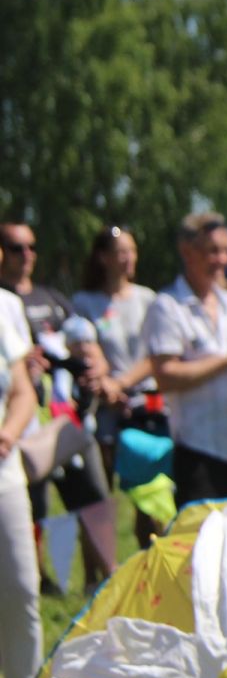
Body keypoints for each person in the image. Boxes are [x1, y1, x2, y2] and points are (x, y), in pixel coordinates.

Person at [2, 220, 118, 586]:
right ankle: (35, 578)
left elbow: (87, 340)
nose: (27, 255)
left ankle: (107, 574)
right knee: (30, 509)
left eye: (32, 247)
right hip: (21, 424)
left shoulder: (51, 298)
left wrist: (96, 363)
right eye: (17, 247)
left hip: (64, 419)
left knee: (94, 497)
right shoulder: (3, 304)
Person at [143, 212, 227, 504]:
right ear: (187, 252)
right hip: (197, 447)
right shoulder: (167, 307)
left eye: (226, 251)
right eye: (212, 251)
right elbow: (166, 376)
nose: (222, 260)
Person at [73, 226, 164, 546]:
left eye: (132, 251)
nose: (129, 258)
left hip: (145, 404)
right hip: (104, 406)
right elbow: (83, 347)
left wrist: (123, 383)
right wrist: (106, 387)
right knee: (99, 491)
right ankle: (98, 569)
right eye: (121, 252)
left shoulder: (148, 299)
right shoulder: (85, 302)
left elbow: (158, 353)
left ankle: (151, 555)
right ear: (103, 257)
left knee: (150, 490)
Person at [0, 288, 40, 678]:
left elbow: (23, 391)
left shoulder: (4, 307)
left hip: (4, 470)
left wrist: (9, 432)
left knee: (21, 587)